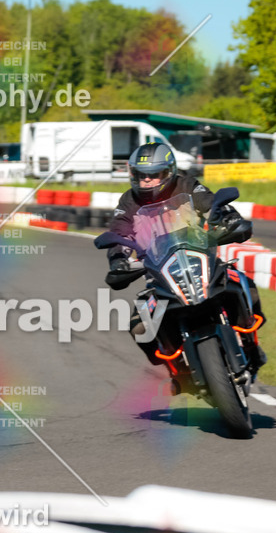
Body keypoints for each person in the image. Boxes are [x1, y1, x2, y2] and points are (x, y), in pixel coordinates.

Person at [104, 142, 267, 371]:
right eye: (141, 176)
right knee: (137, 325)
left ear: (169, 172)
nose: (146, 181)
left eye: (153, 175)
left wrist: (229, 219)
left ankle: (251, 345)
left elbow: (210, 204)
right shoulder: (128, 201)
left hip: (201, 258)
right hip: (159, 274)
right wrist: (118, 259)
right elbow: (119, 231)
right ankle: (176, 369)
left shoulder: (186, 184)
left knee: (244, 284)